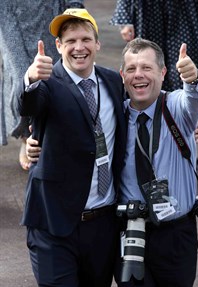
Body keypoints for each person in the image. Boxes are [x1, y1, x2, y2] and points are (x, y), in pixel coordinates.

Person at [16, 8, 126, 287]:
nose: (79, 47)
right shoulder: (47, 83)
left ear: (97, 43)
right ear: (58, 46)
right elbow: (27, 105)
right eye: (71, 41)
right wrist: (30, 79)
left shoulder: (113, 81)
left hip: (102, 223)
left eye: (86, 39)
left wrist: (186, 124)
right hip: (54, 224)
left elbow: (140, 106)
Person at [113, 38, 198, 286]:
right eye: (131, 69)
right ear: (122, 75)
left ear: (163, 72)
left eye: (146, 67)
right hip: (130, 231)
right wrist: (39, 140)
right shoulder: (115, 115)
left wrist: (193, 78)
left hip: (175, 235)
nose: (138, 76)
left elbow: (195, 99)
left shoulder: (177, 106)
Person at [0, 0, 84, 170]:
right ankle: (27, 135)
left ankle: (55, 135)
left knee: (57, 77)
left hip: (52, 17)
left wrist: (75, 11)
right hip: (12, 18)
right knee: (22, 79)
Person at [110, 0, 198, 94]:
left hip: (181, 10)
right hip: (147, 10)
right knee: (147, 61)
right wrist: (125, 18)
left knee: (183, 61)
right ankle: (148, 107)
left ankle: (183, 106)